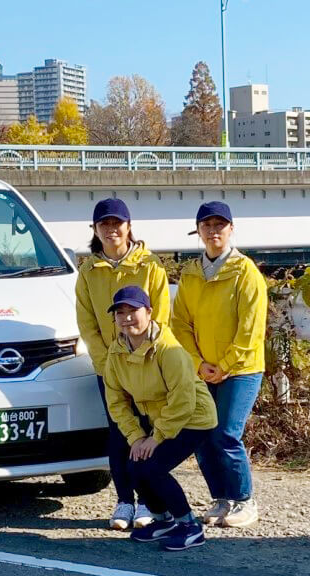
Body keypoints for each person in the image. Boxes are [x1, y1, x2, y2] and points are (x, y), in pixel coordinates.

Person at [75, 198, 171, 530]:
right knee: (118, 432)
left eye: (117, 223)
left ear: (129, 226)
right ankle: (123, 502)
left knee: (147, 430)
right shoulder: (88, 271)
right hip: (110, 369)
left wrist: (148, 357)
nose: (111, 229)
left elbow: (162, 316)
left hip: (147, 365)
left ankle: (147, 500)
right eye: (104, 224)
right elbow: (87, 322)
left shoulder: (151, 265)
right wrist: (108, 364)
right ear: (95, 230)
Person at [171, 201, 267, 528]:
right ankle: (222, 499)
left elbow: (251, 330)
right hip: (203, 369)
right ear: (198, 231)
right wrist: (199, 364)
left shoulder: (246, 272)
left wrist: (223, 365)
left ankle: (245, 500)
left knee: (226, 433)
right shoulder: (190, 274)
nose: (214, 231)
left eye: (219, 225)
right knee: (202, 435)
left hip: (241, 369)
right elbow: (180, 324)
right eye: (207, 225)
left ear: (231, 229)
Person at [103, 286, 218, 551]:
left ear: (149, 313)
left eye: (133, 311)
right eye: (120, 312)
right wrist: (136, 437)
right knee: (135, 465)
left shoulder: (169, 350)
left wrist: (156, 438)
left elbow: (183, 401)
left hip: (193, 417)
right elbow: (116, 401)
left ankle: (190, 526)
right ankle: (163, 519)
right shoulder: (116, 351)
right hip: (159, 420)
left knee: (152, 466)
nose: (126, 317)